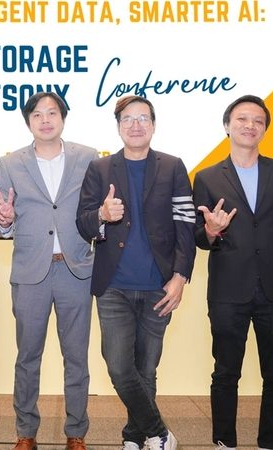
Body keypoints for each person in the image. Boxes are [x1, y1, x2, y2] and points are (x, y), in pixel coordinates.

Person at [76, 95, 196, 450]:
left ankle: (134, 437)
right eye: (127, 119)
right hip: (114, 286)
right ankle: (160, 433)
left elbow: (186, 224)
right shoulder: (100, 169)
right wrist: (102, 215)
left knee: (146, 369)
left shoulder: (173, 166)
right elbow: (83, 223)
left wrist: (180, 277)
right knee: (118, 366)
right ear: (118, 127)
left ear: (153, 125)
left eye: (143, 118)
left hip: (160, 286)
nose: (135, 125)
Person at [192, 95, 273, 450]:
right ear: (227, 126)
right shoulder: (207, 177)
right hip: (228, 290)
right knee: (226, 372)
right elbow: (199, 237)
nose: (250, 125)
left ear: (265, 129)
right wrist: (212, 231)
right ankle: (224, 441)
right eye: (242, 118)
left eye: (258, 120)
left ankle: (270, 442)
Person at [0, 92, 99, 450]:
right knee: (27, 357)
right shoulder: (10, 163)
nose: (45, 120)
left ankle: (76, 432)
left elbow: (95, 211)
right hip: (30, 272)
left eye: (52, 113)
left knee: (76, 357)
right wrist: (4, 220)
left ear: (63, 118)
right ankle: (26, 432)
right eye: (37, 114)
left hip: (75, 270)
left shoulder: (88, 157)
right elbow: (4, 221)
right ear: (28, 122)